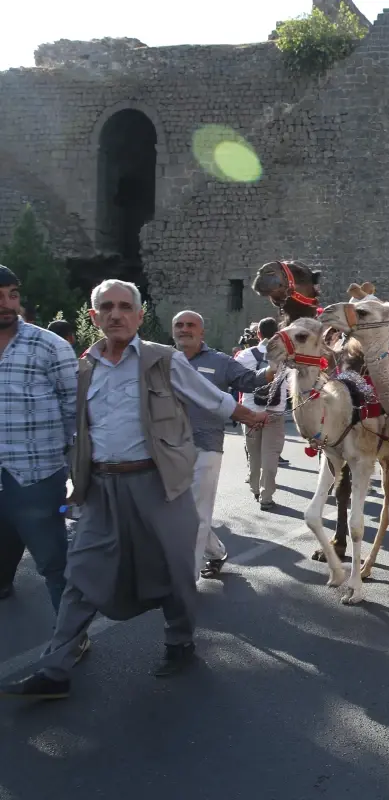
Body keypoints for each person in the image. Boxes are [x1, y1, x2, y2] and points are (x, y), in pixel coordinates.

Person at [0, 280, 267, 700]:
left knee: (178, 570)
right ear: (94, 318)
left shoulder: (164, 360)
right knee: (80, 576)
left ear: (140, 316)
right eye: (106, 307)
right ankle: (55, 671)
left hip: (158, 484)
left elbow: (211, 397)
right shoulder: (81, 368)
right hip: (101, 487)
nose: (116, 314)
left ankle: (179, 642)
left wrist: (252, 416)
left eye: (126, 307)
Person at [173, 310, 273, 579]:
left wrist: (275, 369)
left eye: (190, 325)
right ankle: (216, 552)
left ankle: (186, 581)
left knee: (196, 513)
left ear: (201, 332)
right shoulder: (163, 361)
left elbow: (250, 381)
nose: (184, 329)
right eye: (179, 325)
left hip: (205, 445)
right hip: (167, 449)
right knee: (174, 511)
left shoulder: (219, 361)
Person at [0, 265, 77, 611]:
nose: (7, 303)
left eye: (12, 295)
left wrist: (78, 470)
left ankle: (71, 637)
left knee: (53, 562)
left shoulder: (49, 346)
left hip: (36, 475)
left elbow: (76, 409)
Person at [234, 317, 289, 510]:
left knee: (254, 453)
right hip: (275, 411)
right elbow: (289, 385)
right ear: (277, 334)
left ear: (258, 334)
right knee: (271, 454)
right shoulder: (285, 356)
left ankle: (255, 488)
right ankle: (267, 496)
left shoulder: (244, 355)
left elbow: (238, 381)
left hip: (249, 411)